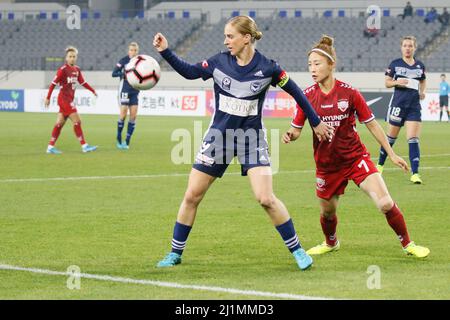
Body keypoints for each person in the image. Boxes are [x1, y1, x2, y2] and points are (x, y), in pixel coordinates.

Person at [152, 16, 334, 270]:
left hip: (251, 139)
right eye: (225, 36)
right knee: (192, 195)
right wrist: (165, 51)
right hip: (218, 138)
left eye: (230, 36)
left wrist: (314, 121)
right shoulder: (217, 63)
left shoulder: (269, 68)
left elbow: (296, 92)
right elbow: (190, 72)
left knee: (265, 198)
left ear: (246, 38)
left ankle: (298, 251)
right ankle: (174, 252)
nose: (226, 41)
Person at [282, 35, 430, 259]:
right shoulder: (307, 96)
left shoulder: (349, 93)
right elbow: (296, 130)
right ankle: (331, 242)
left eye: (317, 63)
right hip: (327, 165)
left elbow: (372, 125)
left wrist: (391, 153)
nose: (312, 69)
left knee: (385, 203)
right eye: (309, 65)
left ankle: (409, 244)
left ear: (331, 64)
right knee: (328, 212)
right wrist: (290, 135)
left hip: (355, 158)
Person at [376, 35, 426, 184]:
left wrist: (422, 92)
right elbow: (387, 83)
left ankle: (415, 173)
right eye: (405, 45)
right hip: (398, 105)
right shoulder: (395, 64)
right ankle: (379, 166)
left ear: (414, 48)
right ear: (401, 47)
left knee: (413, 139)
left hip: (414, 107)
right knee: (390, 139)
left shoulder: (420, 66)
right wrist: (398, 82)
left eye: (410, 46)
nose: (407, 48)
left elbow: (423, 80)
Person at [45, 46, 98, 154]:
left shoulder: (77, 69)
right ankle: (84, 146)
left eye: (74, 56)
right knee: (77, 121)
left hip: (69, 99)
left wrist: (92, 90)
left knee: (59, 124)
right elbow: (52, 84)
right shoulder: (62, 70)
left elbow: (83, 82)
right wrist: (48, 97)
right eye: (70, 56)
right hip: (64, 99)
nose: (72, 58)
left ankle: (50, 147)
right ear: (66, 58)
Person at [112, 42, 140, 150]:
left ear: (137, 51)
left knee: (133, 116)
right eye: (131, 50)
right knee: (123, 114)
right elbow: (113, 73)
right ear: (128, 51)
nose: (133, 52)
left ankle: (127, 141)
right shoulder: (123, 61)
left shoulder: (139, 62)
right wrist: (123, 74)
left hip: (135, 91)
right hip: (124, 89)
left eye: (135, 50)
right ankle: (119, 136)